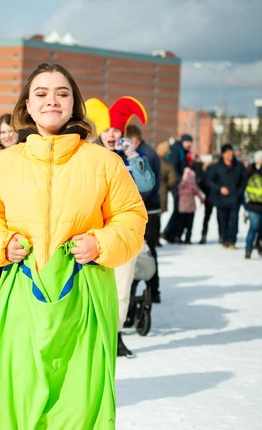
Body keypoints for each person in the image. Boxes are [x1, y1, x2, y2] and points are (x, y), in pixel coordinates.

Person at [0, 63, 147, 429]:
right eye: (41, 94)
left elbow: (131, 217)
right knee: (19, 390)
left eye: (62, 93)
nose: (52, 100)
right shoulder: (0, 164)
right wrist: (2, 242)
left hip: (86, 294)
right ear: (26, 107)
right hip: (24, 292)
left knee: (80, 397)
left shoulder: (105, 163)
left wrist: (100, 242)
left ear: (75, 105)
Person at [86, 96, 155, 357]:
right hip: (93, 233)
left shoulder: (131, 160)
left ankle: (115, 335)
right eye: (108, 130)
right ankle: (92, 336)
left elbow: (147, 186)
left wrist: (133, 156)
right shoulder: (90, 157)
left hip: (124, 233)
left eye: (117, 131)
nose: (113, 135)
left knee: (122, 288)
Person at [126, 124, 162, 302]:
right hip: (149, 206)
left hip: (147, 207)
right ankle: (152, 289)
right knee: (146, 249)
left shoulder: (144, 154)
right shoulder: (148, 151)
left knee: (145, 249)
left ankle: (152, 289)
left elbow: (147, 185)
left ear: (134, 140)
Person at [207, 144, 248, 249]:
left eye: (231, 152)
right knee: (223, 220)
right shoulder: (216, 167)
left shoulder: (239, 166)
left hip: (235, 198)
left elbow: (244, 180)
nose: (230, 155)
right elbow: (209, 181)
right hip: (221, 199)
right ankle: (225, 239)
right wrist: (219, 189)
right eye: (228, 153)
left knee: (234, 220)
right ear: (223, 154)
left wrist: (239, 191)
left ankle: (232, 240)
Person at [162, 134, 193, 243]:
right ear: (183, 141)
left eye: (191, 142)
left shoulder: (183, 151)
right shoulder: (177, 150)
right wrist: (180, 180)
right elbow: (173, 167)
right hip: (176, 184)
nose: (189, 144)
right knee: (178, 208)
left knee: (179, 209)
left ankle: (172, 233)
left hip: (179, 183)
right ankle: (168, 232)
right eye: (187, 141)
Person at [177, 167, 205, 244]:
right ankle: (186, 238)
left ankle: (180, 237)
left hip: (184, 208)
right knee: (188, 225)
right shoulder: (192, 186)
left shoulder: (181, 185)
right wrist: (202, 199)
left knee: (182, 224)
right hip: (189, 208)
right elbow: (198, 193)